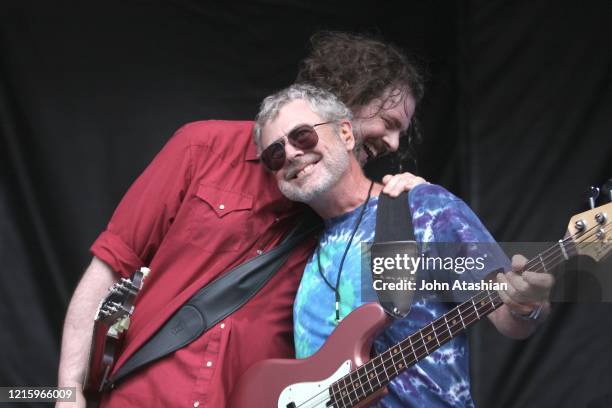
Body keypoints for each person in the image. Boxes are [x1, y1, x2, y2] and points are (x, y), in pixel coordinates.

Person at [57, 32, 427, 407]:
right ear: (345, 101)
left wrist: (417, 204)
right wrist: (68, 393)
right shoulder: (201, 147)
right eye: (388, 121)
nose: (394, 145)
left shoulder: (355, 213)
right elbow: (110, 266)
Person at [254, 84, 555, 407]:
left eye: (302, 136)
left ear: (345, 133)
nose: (291, 154)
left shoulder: (423, 210)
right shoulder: (304, 248)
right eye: (275, 153)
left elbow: (507, 317)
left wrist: (527, 305)